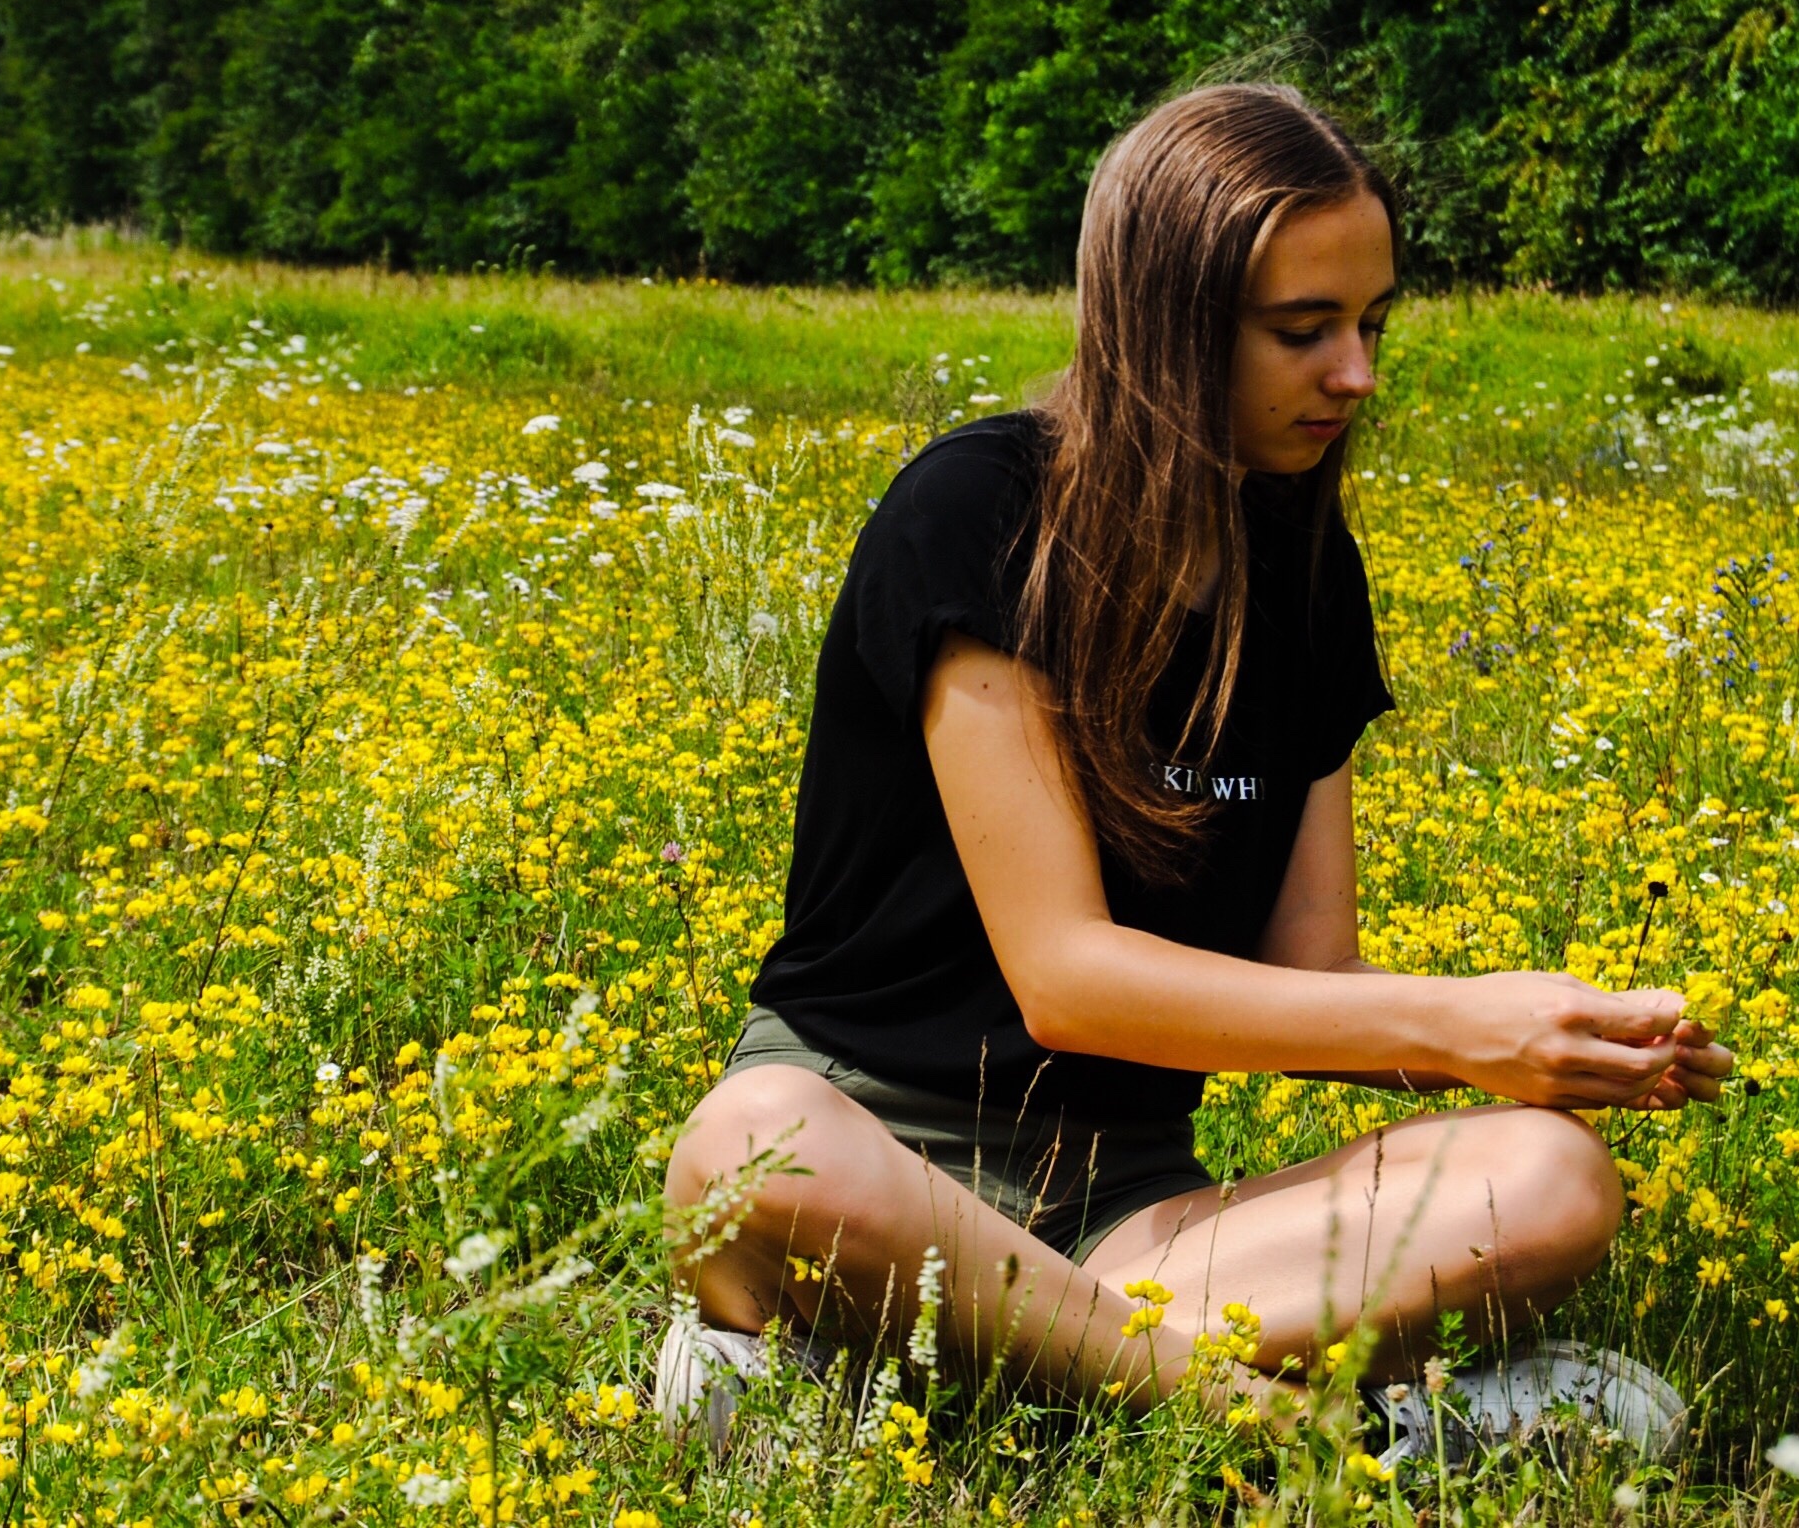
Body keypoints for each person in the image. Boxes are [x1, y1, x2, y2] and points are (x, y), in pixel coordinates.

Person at [655, 84, 1731, 1461]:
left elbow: (1317, 974)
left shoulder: (1305, 572)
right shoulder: (981, 514)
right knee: (756, 1144)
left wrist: (1552, 1046)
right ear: (1168, 326)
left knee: (1552, 1178)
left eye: (1372, 325)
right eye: (1305, 333)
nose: (1358, 376)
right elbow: (1067, 978)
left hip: (1134, 1217)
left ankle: (938, 1381)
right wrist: (1468, 1025)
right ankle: (1273, 1421)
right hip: (877, 1158)